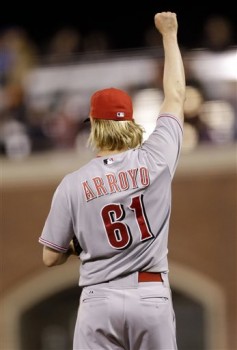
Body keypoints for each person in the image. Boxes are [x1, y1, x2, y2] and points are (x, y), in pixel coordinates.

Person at [39, 11, 186, 350]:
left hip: (98, 298)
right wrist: (169, 34)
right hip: (150, 294)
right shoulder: (156, 158)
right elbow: (175, 95)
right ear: (129, 121)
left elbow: (50, 257)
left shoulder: (73, 184)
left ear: (94, 124)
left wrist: (79, 243)